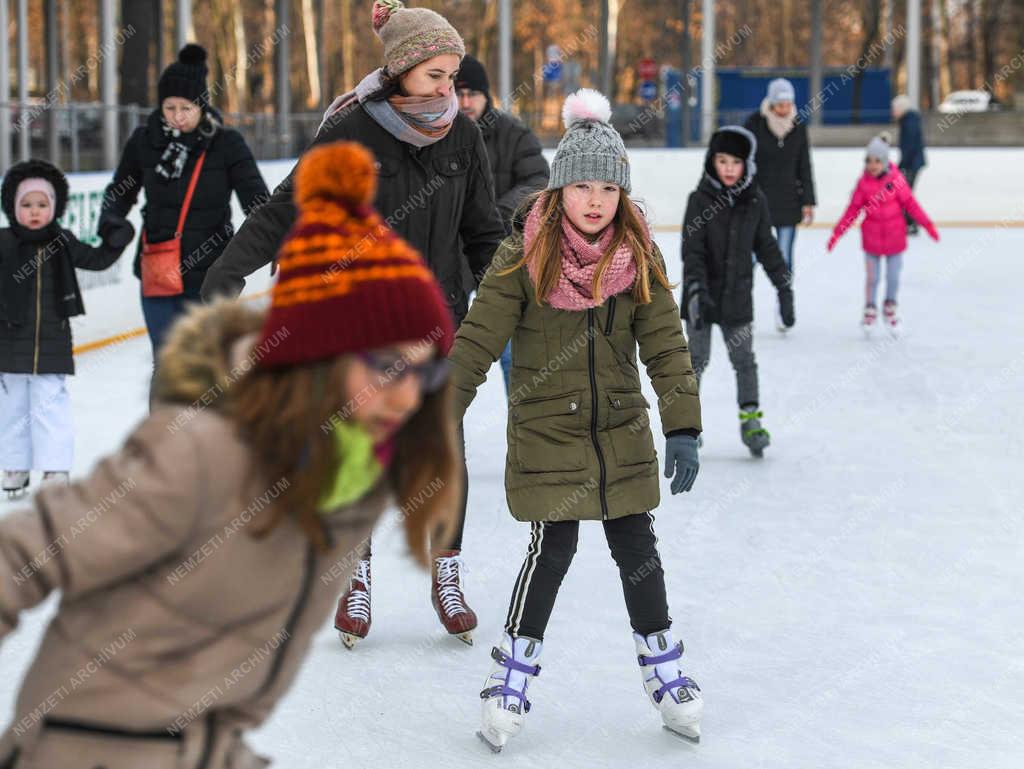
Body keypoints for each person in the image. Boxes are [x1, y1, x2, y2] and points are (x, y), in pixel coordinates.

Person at [0, 141, 462, 769]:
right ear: (317, 359)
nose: (405, 396)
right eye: (383, 365)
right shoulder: (205, 453)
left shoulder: (357, 480)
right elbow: (29, 551)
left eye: (424, 371)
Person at [201, 0, 506, 648]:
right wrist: (228, 272)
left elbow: (483, 232)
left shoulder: (464, 135)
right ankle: (355, 572)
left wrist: (510, 300)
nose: (448, 88)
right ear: (399, 72)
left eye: (453, 74)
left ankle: (445, 571)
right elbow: (286, 208)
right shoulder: (350, 133)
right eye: (435, 75)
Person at [448, 89, 704, 751]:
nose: (595, 200)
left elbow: (667, 343)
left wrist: (682, 424)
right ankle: (512, 673)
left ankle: (663, 664)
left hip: (619, 428)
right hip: (546, 431)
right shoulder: (522, 256)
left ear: (623, 193)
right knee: (551, 548)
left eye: (608, 188)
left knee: (637, 545)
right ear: (560, 189)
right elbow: (477, 339)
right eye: (582, 185)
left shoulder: (639, 255)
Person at [99, 43, 269, 358]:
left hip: (211, 274)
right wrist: (111, 222)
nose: (177, 116)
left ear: (202, 106)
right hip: (158, 270)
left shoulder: (226, 143)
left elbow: (258, 201)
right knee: (166, 363)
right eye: (169, 108)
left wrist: (271, 242)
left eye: (186, 108)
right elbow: (120, 191)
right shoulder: (144, 141)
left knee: (206, 364)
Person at [0, 159, 134, 499]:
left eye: (42, 205)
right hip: (9, 339)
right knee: (12, 406)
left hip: (53, 339)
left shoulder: (62, 241)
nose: (34, 212)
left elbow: (98, 259)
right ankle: (14, 466)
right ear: (12, 208)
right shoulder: (3, 243)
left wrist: (117, 237)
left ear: (55, 207)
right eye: (26, 205)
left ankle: (54, 468)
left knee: (50, 405)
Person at [681, 125, 794, 457]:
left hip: (737, 300)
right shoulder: (698, 200)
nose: (729, 168)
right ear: (711, 162)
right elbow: (692, 251)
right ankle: (687, 427)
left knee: (744, 362)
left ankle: (751, 422)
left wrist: (784, 287)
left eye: (736, 162)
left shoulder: (755, 201)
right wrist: (696, 289)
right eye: (722, 160)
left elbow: (768, 248)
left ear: (747, 165)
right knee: (695, 361)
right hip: (700, 298)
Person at [454, 54, 549, 393]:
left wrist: (490, 215)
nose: (465, 102)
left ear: (486, 95)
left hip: (503, 255)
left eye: (472, 94)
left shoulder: (513, 133)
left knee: (514, 354)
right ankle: (445, 437)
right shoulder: (438, 134)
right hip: (452, 261)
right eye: (458, 93)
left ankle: (524, 435)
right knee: (450, 357)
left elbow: (539, 180)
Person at [827, 135, 939, 337]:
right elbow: (852, 211)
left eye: (877, 161)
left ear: (885, 161)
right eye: (869, 161)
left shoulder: (896, 181)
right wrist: (837, 234)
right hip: (871, 240)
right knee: (873, 278)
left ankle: (890, 307)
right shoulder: (863, 184)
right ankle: (870, 309)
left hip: (895, 239)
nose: (873, 165)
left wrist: (928, 225)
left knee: (893, 277)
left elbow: (911, 205)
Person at [743, 77, 815, 333]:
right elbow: (743, 164)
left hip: (788, 203)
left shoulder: (798, 128)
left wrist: (808, 201)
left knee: (784, 260)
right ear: (771, 103)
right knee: (748, 259)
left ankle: (783, 307)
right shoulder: (754, 125)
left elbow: (804, 166)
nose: (785, 107)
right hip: (757, 204)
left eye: (788, 103)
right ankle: (742, 312)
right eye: (780, 103)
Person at [891, 94, 926, 236]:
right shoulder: (908, 119)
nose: (893, 112)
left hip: (912, 164)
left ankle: (910, 223)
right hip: (912, 163)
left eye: (894, 109)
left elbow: (910, 146)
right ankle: (909, 223)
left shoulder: (909, 121)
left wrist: (902, 165)